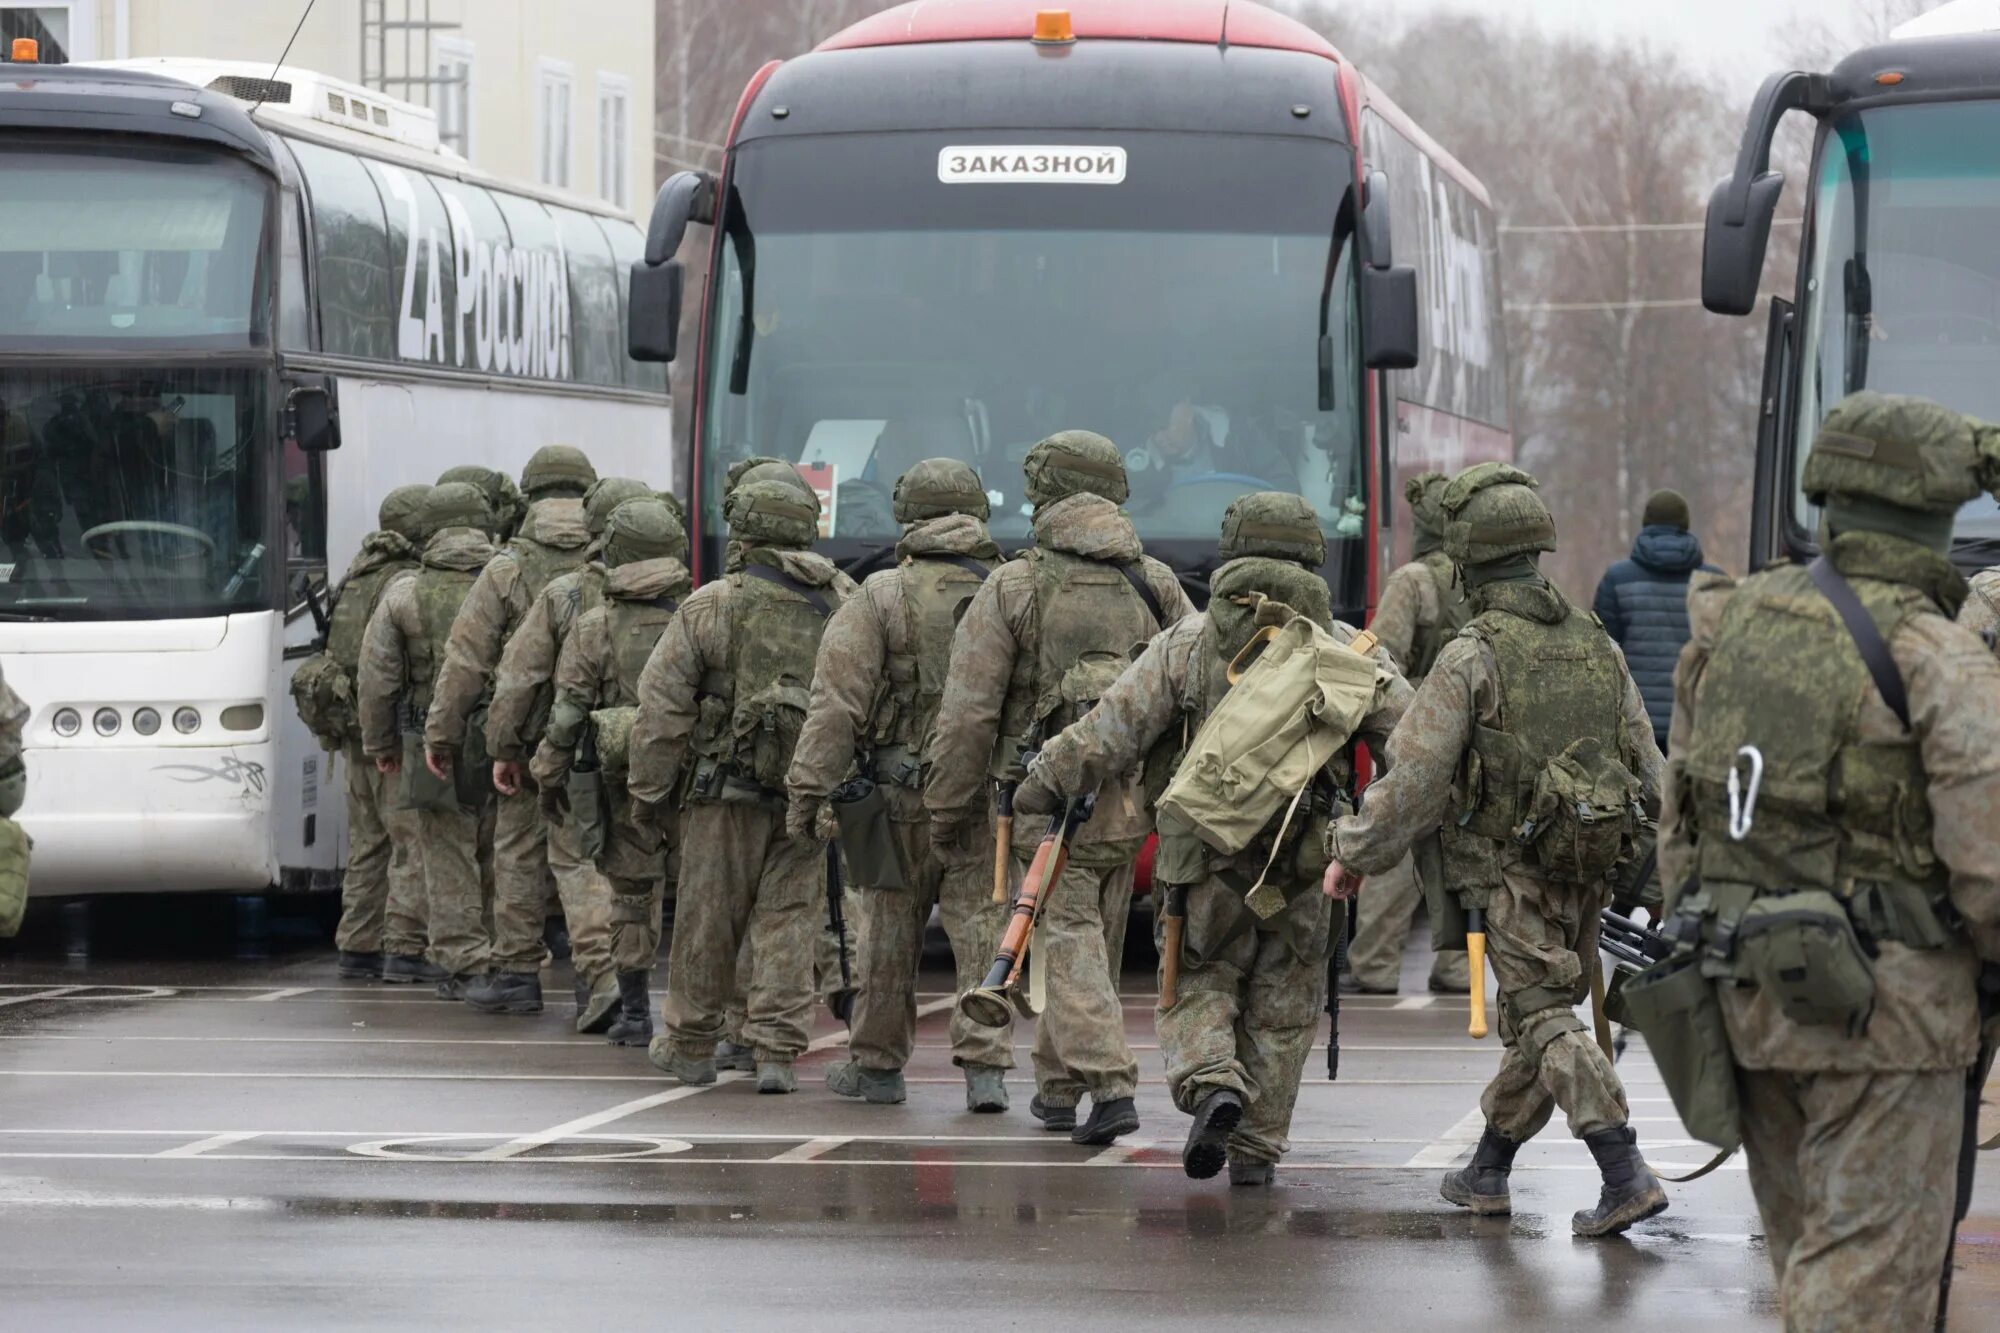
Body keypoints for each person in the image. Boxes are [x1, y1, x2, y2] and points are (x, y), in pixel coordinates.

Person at [1660, 392, 2000, 1330]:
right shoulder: (1937, 656)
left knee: (1811, 1267)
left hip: (1750, 999)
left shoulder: (1731, 627)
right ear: (1939, 512)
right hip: (1892, 1028)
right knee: (1866, 1293)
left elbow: (1681, 819)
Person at [1019, 493, 1409, 1182]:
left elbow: (1110, 732)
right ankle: (1257, 1151)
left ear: (1232, 551)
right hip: (1307, 865)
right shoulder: (1352, 652)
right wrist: (1365, 839)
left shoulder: (1188, 643)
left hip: (1201, 862)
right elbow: (1414, 757)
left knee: (1197, 982)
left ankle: (1212, 1082)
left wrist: (1042, 778)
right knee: (1285, 1008)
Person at [1324, 462, 1670, 1238]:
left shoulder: (1470, 654)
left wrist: (1351, 851)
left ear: (1467, 557)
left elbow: (1411, 782)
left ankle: (1624, 1169)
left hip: (1509, 872)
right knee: (1538, 1022)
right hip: (1590, 867)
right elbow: (1651, 768)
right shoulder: (1597, 643)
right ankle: (1488, 1166)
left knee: (1543, 1015)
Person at [926, 430, 1196, 1146]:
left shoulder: (1014, 585)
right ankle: (1057, 1085)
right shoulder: (1157, 583)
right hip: (1130, 802)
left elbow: (968, 716)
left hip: (1041, 803)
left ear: (1045, 492)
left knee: (1065, 936)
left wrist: (948, 811)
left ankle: (1107, 1083)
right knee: (1091, 941)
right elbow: (1195, 686)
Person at [787, 457, 1014, 1112]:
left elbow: (836, 705)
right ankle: (986, 1070)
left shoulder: (880, 595)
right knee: (983, 929)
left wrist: (809, 792)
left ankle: (878, 1065)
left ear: (907, 515)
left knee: (886, 929)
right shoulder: (1010, 590)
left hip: (892, 801)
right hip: (985, 799)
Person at [627, 478, 856, 1093]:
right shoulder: (845, 600)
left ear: (743, 529)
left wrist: (647, 796)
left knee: (709, 918)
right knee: (790, 920)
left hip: (722, 795)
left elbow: (660, 711)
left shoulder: (712, 604)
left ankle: (691, 1044)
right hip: (810, 797)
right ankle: (777, 1051)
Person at [426, 446, 598, 1017]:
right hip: (609, 737)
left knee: (519, 849)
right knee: (597, 856)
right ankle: (604, 980)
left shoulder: (506, 568)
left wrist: (445, 736)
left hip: (527, 740)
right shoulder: (614, 563)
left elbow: (467, 663)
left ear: (529, 495)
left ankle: (518, 974)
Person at [484, 474, 654, 1033]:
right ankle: (641, 994)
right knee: (645, 874)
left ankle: (600, 979)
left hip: (583, 755)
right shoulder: (688, 597)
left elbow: (519, 677)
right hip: (661, 756)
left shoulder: (564, 595)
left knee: (576, 860)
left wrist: (505, 747)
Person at [533, 498, 691, 1046]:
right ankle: (711, 1020)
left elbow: (568, 713)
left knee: (630, 896)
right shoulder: (702, 612)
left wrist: (548, 776)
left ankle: (634, 1013)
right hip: (695, 783)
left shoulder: (594, 626)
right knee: (702, 897)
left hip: (618, 783)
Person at [357, 482, 499, 999]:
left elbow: (376, 680)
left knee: (446, 853)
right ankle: (503, 955)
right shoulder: (512, 582)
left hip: (427, 742)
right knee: (499, 849)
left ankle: (467, 963)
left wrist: (382, 746)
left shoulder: (405, 592)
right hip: (503, 739)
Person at [1344, 472, 1471, 997]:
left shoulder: (1413, 580)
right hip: (1471, 723)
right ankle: (1457, 966)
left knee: (1395, 836)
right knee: (1458, 846)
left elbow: (1382, 654)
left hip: (1416, 722)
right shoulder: (1475, 578)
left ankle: (1375, 964)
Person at [309, 483, 435, 983]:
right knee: (411, 840)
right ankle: (405, 947)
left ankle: (358, 944)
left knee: (367, 843)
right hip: (391, 733)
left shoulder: (356, 575)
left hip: (352, 732)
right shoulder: (404, 580)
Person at [1591, 487, 1718, 752]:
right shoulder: (1712, 582)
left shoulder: (1617, 579)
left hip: (1636, 724)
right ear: (1685, 524)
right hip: (1696, 723)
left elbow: (1601, 657)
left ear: (1646, 524)